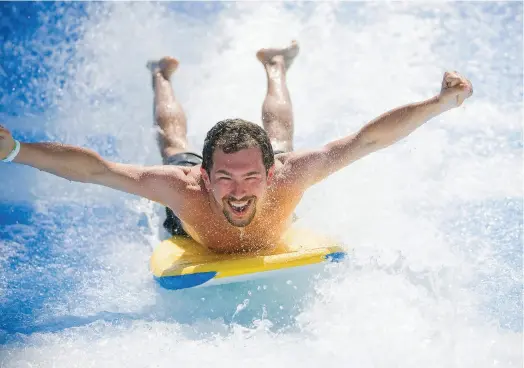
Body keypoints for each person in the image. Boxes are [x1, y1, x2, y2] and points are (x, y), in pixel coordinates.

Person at [0, 40, 473, 254]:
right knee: (173, 143)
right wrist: (16, 150)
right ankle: (160, 76)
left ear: (271, 175)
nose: (239, 191)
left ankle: (274, 64)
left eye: (251, 176)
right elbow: (97, 170)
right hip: (190, 227)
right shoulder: (182, 188)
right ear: (205, 177)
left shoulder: (287, 174)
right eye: (224, 178)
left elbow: (367, 140)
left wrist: (439, 103)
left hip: (276, 163)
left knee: (281, 140)